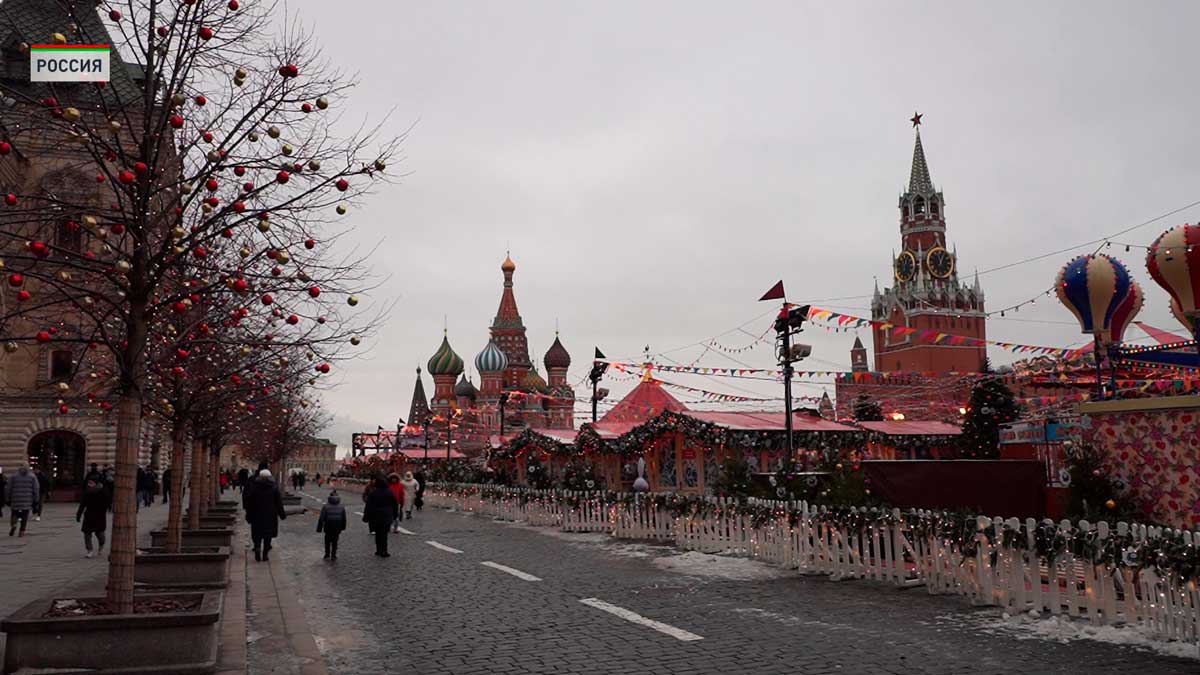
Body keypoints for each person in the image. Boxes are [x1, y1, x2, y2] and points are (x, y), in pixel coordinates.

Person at [244, 469, 286, 561]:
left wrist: (248, 515)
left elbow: (249, 503)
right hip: (270, 516)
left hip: (256, 515)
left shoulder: (254, 488)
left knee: (256, 534)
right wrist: (282, 514)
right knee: (268, 535)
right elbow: (279, 503)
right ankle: (265, 554)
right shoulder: (274, 488)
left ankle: (257, 547)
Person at [362, 477, 398, 557]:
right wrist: (395, 515)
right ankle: (384, 550)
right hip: (387, 515)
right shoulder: (389, 492)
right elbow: (395, 504)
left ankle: (379, 550)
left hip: (376, 515)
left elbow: (369, 505)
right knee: (384, 534)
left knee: (378, 533)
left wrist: (366, 516)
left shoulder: (374, 493)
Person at [76, 478, 110, 558]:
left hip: (99, 516)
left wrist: (107, 508)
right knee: (87, 534)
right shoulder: (86, 492)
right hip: (88, 515)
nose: (89, 485)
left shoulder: (103, 491)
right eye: (88, 483)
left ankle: (101, 546)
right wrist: (78, 515)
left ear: (96, 483)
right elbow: (82, 504)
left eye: (91, 483)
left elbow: (108, 501)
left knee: (100, 535)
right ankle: (89, 550)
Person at [6, 465, 40, 537]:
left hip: (15, 499)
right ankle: (22, 531)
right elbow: (36, 489)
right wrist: (36, 500)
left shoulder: (13, 476)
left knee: (14, 513)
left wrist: (7, 498)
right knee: (25, 516)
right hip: (27, 499)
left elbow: (8, 488)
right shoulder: (32, 476)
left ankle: (14, 524)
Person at [316, 490, 347, 560]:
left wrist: (319, 529)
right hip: (337, 526)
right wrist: (343, 527)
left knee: (327, 540)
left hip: (328, 526)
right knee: (335, 541)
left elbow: (321, 518)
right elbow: (344, 518)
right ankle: (333, 555)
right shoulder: (342, 507)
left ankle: (327, 554)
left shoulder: (325, 507)